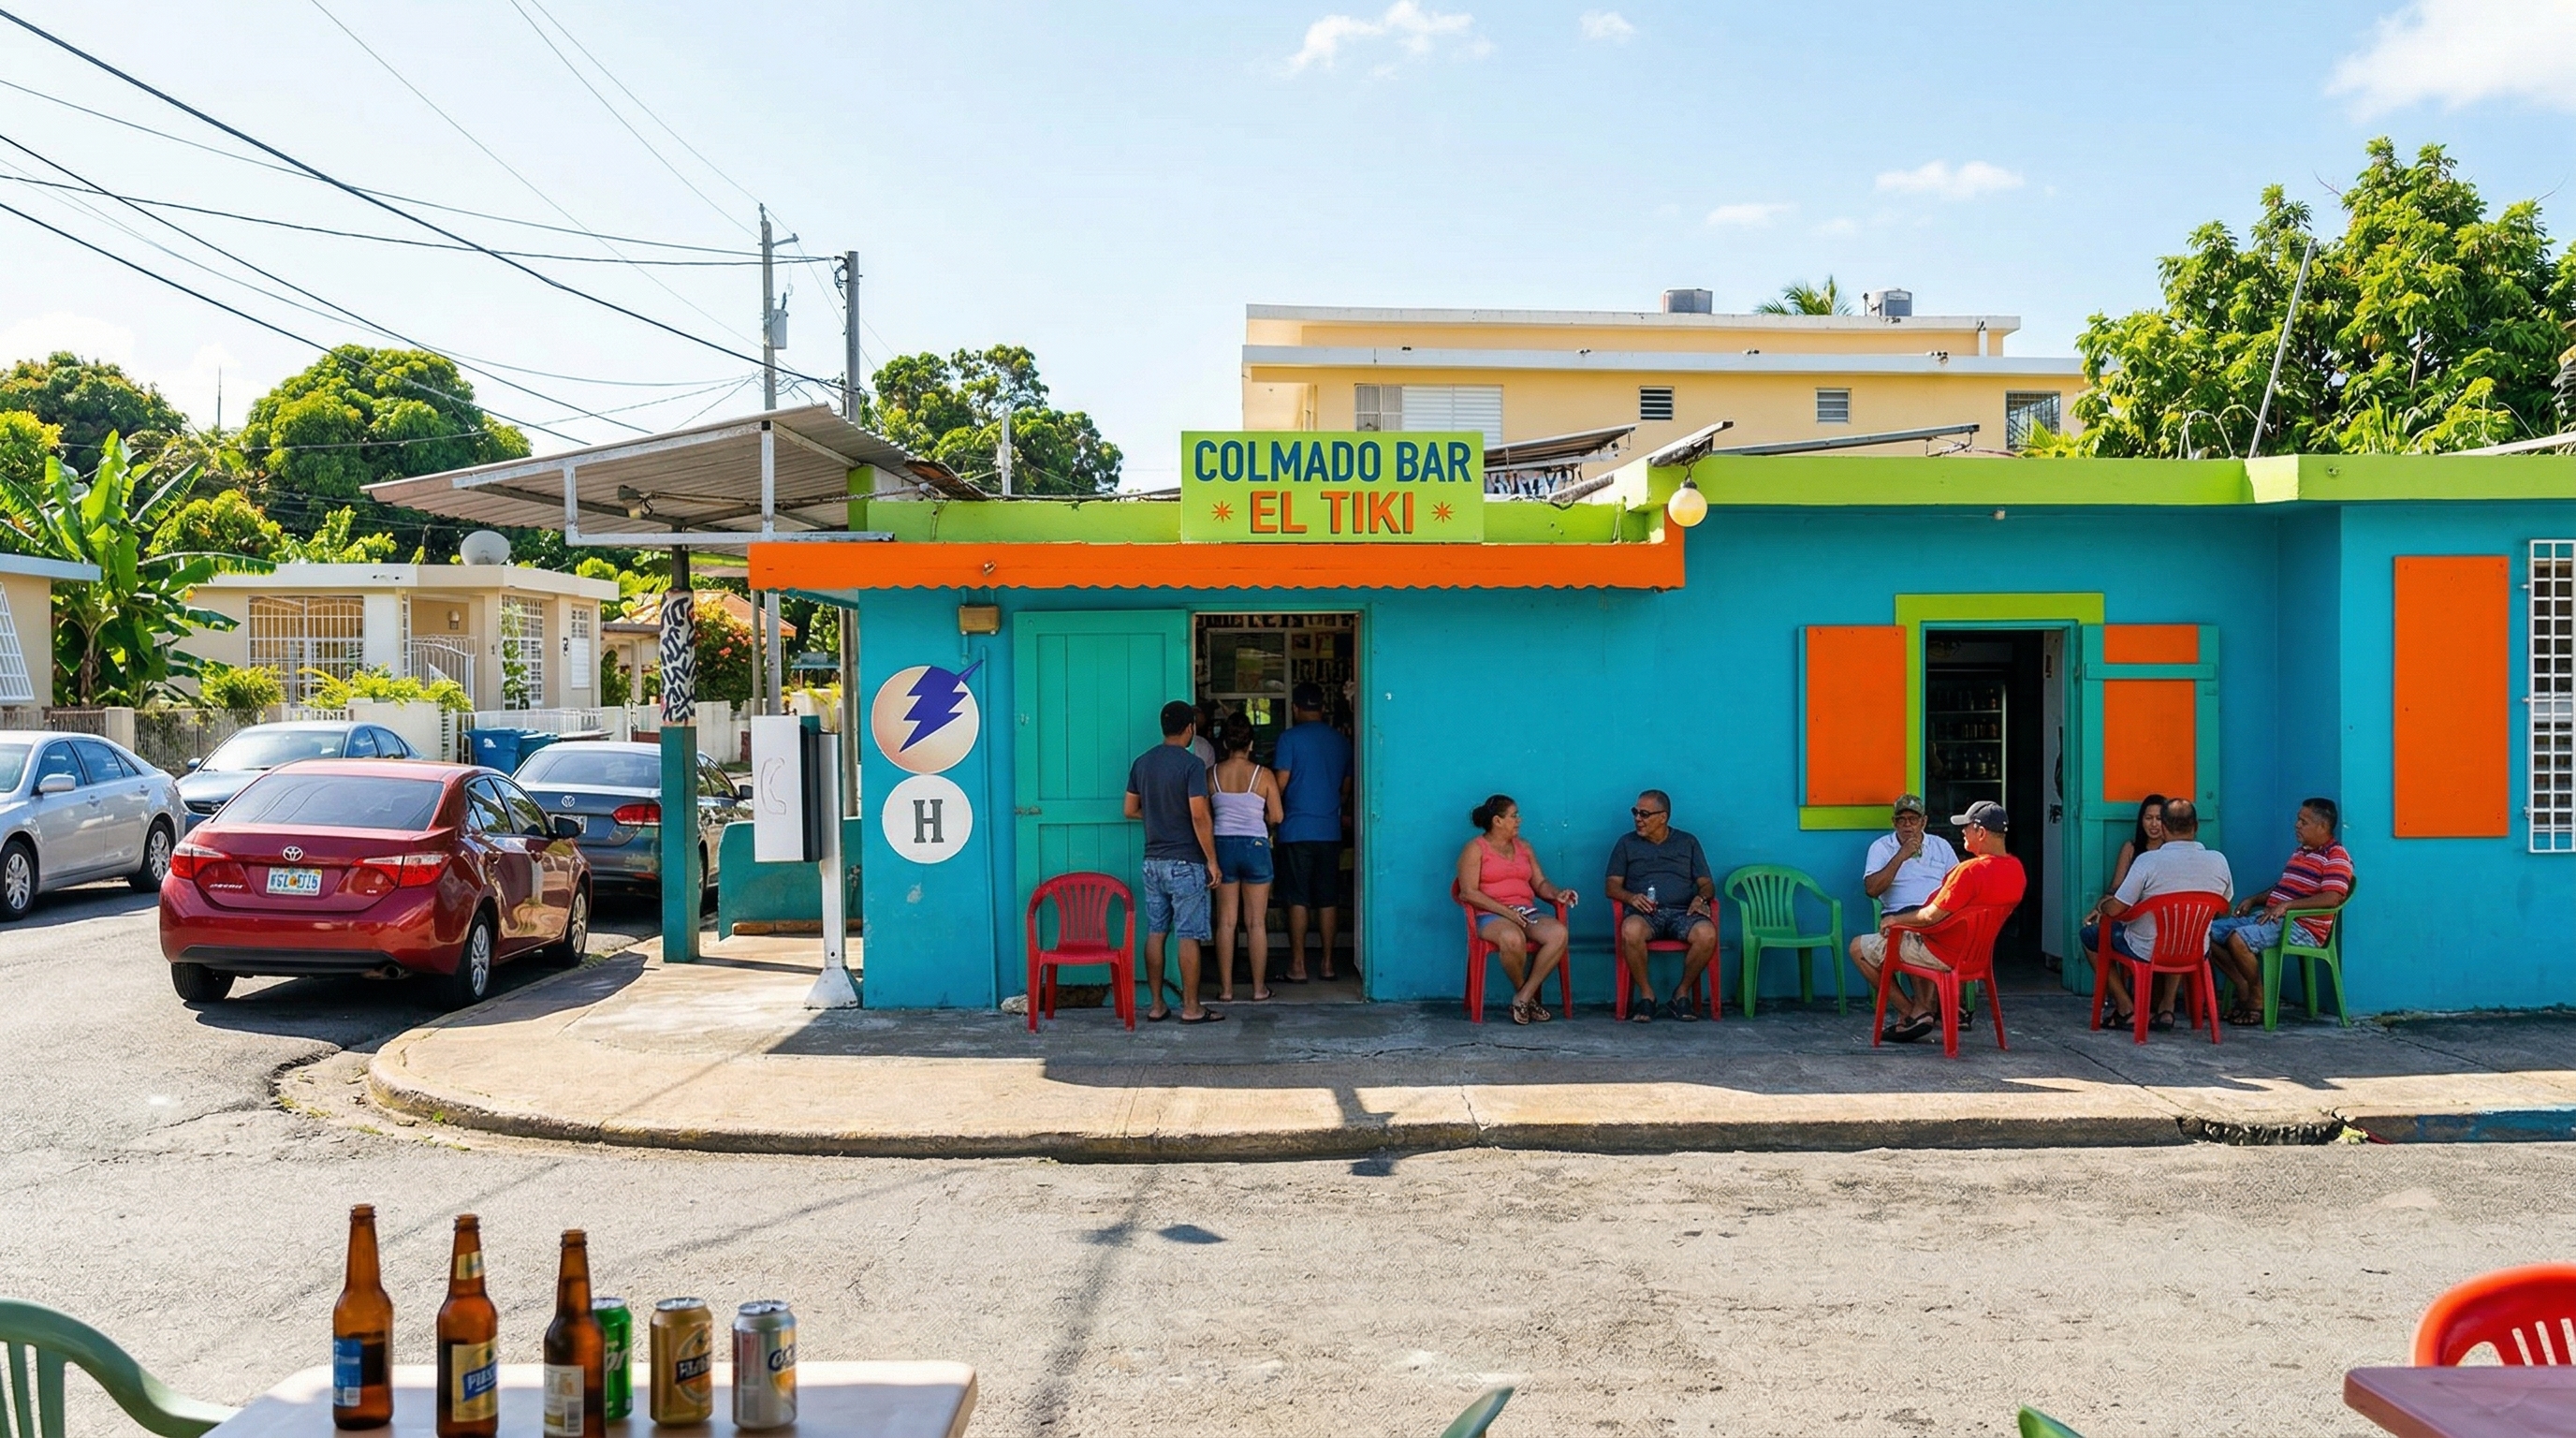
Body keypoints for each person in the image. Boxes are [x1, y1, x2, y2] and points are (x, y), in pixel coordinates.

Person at [1851, 800, 2028, 1043]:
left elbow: (1930, 916)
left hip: (1940, 948)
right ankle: (1938, 1009)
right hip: (1975, 954)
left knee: (1858, 947)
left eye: (1966, 827)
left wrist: (1895, 919)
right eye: (1901, 820)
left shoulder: (1969, 871)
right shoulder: (2016, 870)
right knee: (1912, 928)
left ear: (1981, 832)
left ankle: (1917, 1013)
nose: (1962, 832)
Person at [2082, 797, 2232, 1032]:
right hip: (2195, 949)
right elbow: (2225, 905)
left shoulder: (2147, 861)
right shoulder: (2219, 861)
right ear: (2196, 826)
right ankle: (2166, 1009)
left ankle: (2127, 1008)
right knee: (2179, 933)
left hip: (2146, 949)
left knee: (2090, 936)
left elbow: (2117, 907)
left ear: (2163, 827)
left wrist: (2103, 907)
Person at [2207, 798, 2354, 1026]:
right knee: (2204, 933)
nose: (2297, 825)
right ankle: (2244, 984)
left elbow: (2332, 897)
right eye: (2298, 820)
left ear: (2323, 826)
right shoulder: (2301, 852)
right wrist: (2254, 899)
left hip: (2302, 926)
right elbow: (2283, 888)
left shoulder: (2335, 856)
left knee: (2238, 940)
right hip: (2271, 918)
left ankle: (2256, 996)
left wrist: (2287, 907)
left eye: (2303, 821)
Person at [1123, 699, 1222, 1022]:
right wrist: (1212, 860)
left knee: (1156, 931)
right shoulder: (1191, 764)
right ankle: (1192, 1008)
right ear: (1190, 729)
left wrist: (1158, 817)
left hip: (1152, 860)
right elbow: (1198, 814)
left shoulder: (1143, 762)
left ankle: (1156, 1005)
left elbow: (1129, 809)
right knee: (1187, 934)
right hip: (1185, 862)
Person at [1455, 794, 1578, 1025]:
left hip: (1526, 911)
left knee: (1558, 933)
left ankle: (1523, 996)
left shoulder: (1524, 848)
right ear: (1497, 821)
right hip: (1490, 915)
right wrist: (1506, 911)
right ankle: (1526, 997)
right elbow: (1468, 892)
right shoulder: (1475, 849)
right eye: (1513, 816)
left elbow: (1540, 883)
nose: (1519, 820)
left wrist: (1557, 893)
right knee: (1512, 938)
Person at [1604, 789, 1716, 1022]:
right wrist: (1631, 898)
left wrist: (1701, 898)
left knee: (1706, 934)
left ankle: (1681, 993)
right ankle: (1647, 996)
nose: (1638, 819)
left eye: (1644, 814)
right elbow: (1612, 886)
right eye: (1635, 812)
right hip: (1645, 913)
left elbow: (1706, 884)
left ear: (1663, 817)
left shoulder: (1687, 842)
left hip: (1682, 913)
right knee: (1631, 930)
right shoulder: (1626, 843)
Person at [1271, 682, 1354, 982]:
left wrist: (1270, 813)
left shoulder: (1289, 739)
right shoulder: (1340, 742)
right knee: (1328, 898)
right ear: (1322, 708)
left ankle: (1298, 965)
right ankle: (1329, 964)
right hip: (1329, 831)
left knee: (1298, 898)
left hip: (1295, 830)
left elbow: (1280, 782)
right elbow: (1345, 790)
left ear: (1295, 708)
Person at [1208, 715, 1283, 1004]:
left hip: (1223, 846)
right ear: (1250, 744)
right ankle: (1258, 989)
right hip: (1255, 845)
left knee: (1226, 922)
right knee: (1256, 923)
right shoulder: (1263, 775)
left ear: (1225, 743)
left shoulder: (1211, 773)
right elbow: (1277, 816)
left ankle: (1226, 990)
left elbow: (1207, 816)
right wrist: (1259, 817)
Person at [1863, 794, 1958, 917]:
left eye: (1913, 819)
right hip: (1899, 913)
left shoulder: (1940, 845)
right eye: (1901, 819)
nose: (1907, 824)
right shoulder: (1881, 846)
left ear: (1923, 822)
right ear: (1894, 823)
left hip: (1935, 911)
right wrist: (1901, 856)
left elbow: (1957, 882)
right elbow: (1872, 890)